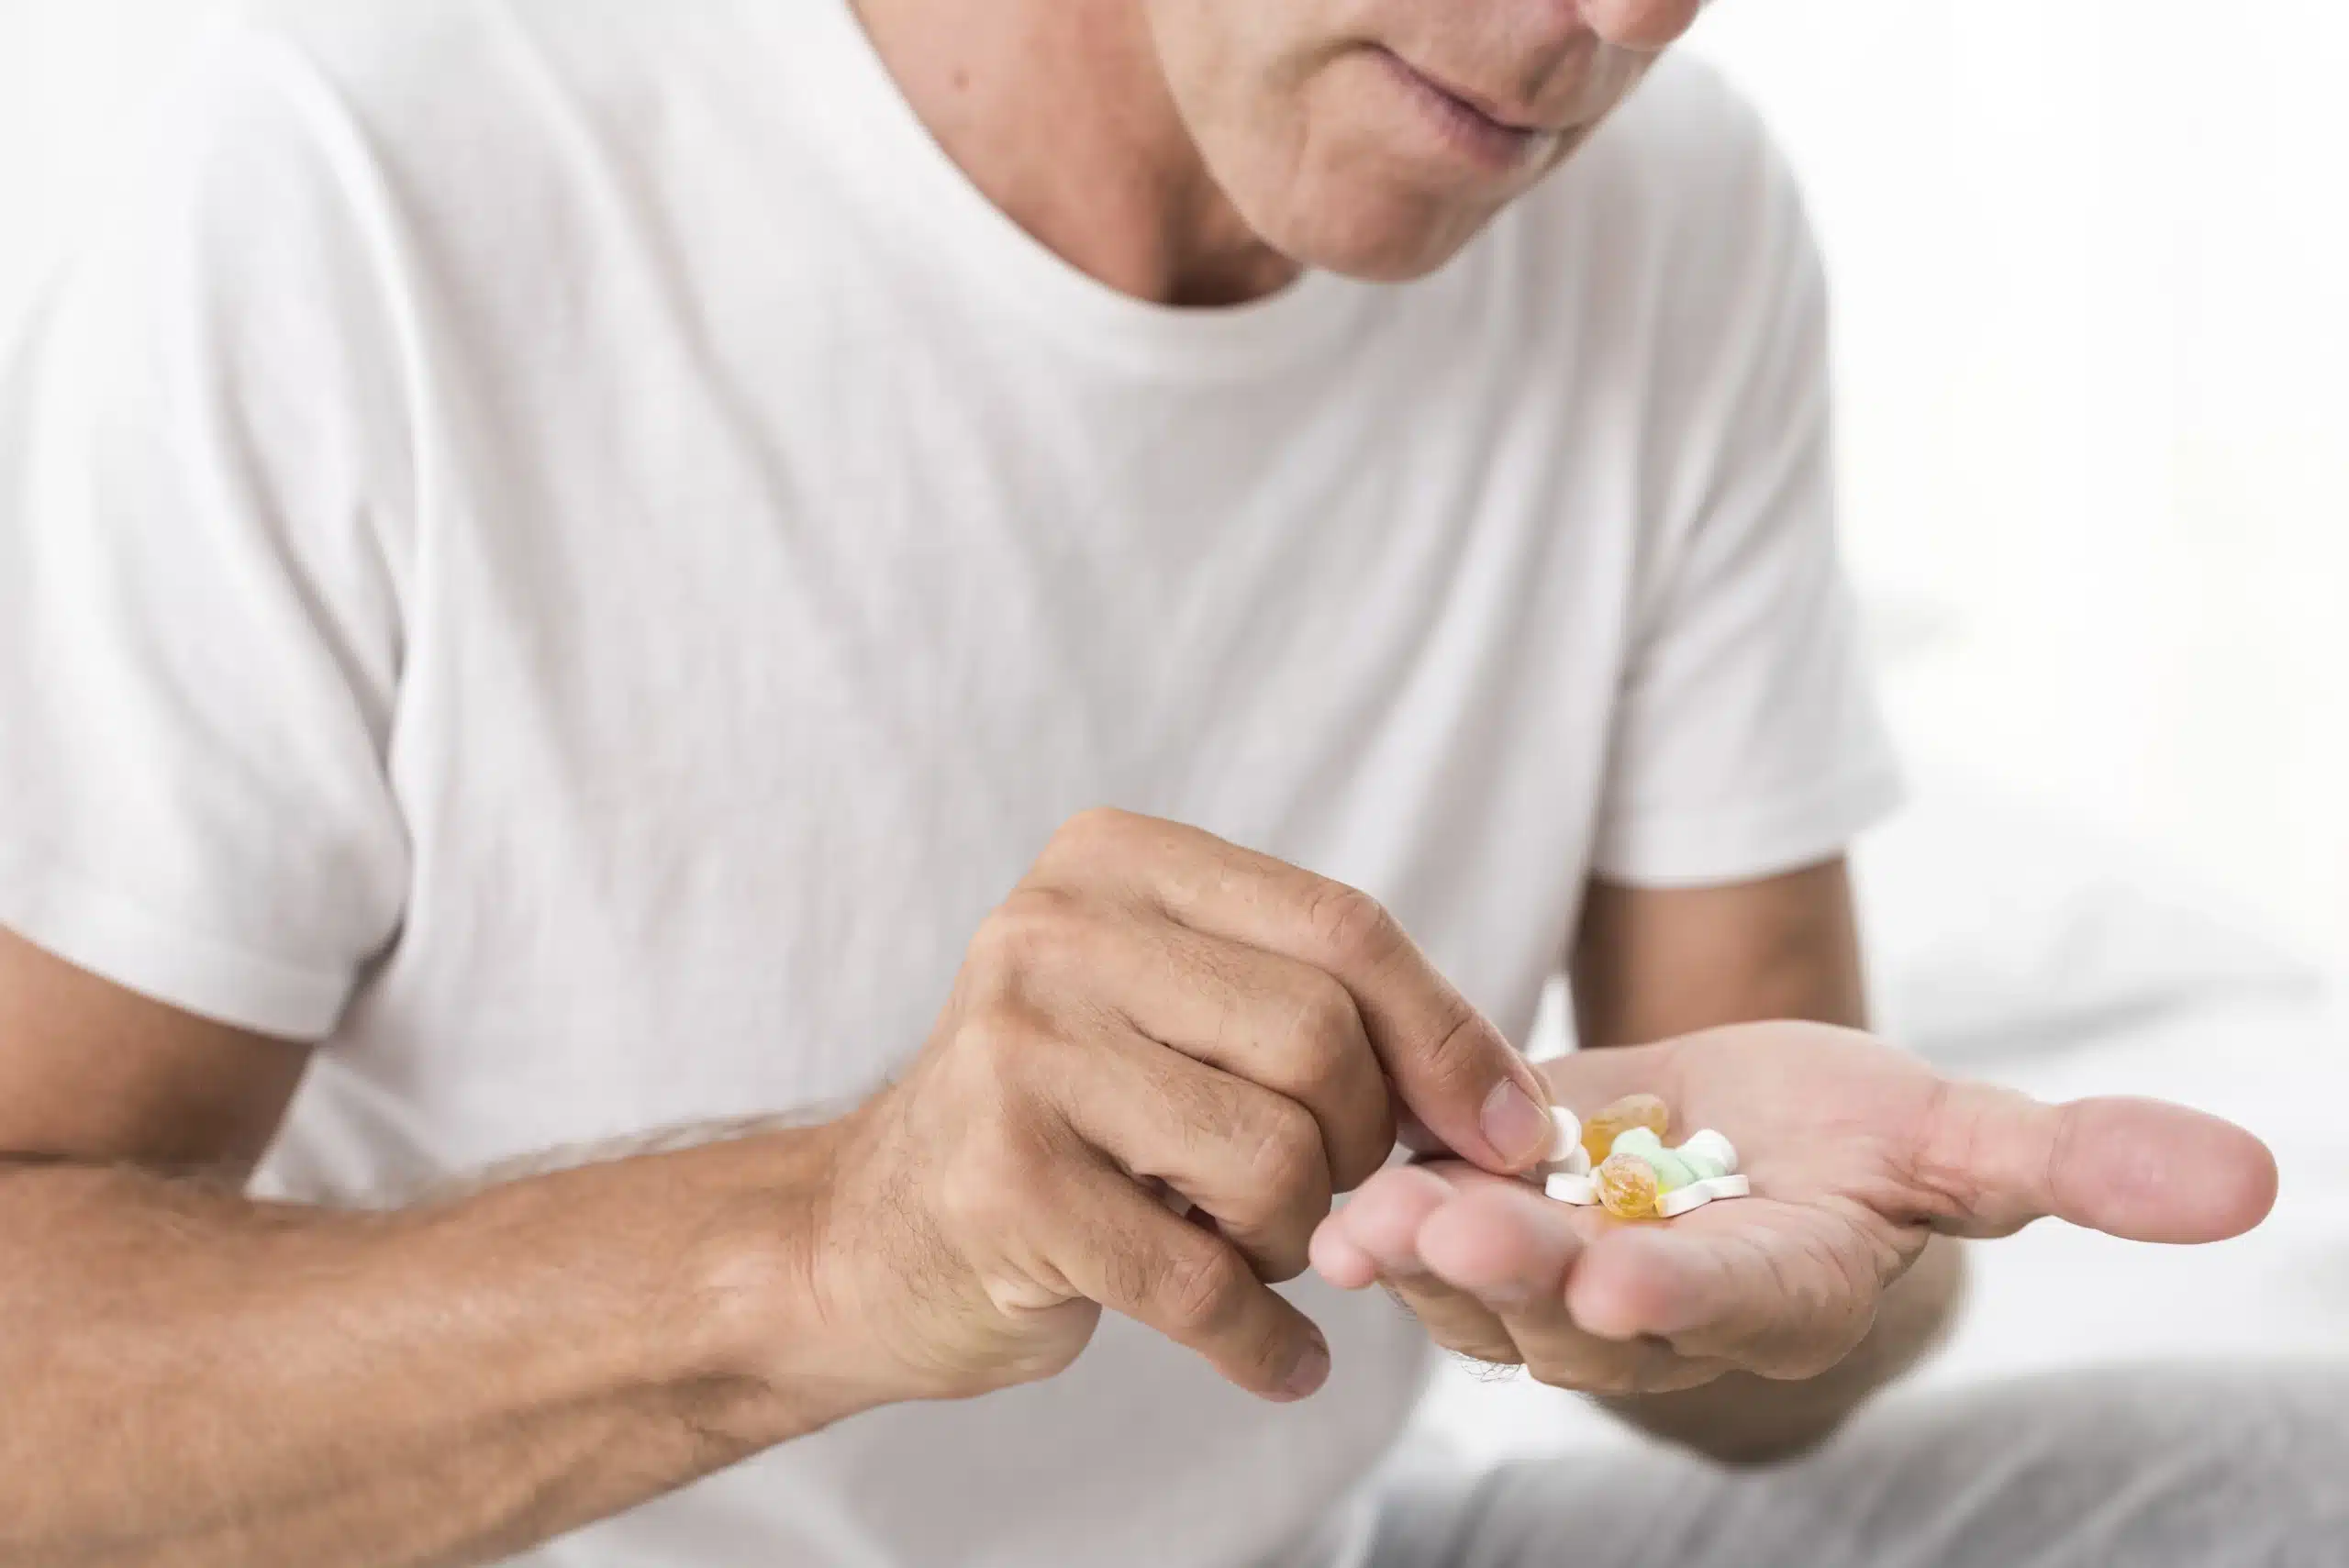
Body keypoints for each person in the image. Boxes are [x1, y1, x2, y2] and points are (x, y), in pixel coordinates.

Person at [0, 0, 2338, 1564]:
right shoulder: (368, 167)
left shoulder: (1675, 222)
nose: (1589, 29)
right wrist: (830, 1242)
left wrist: (1777, 1293)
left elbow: (1779, 1253)